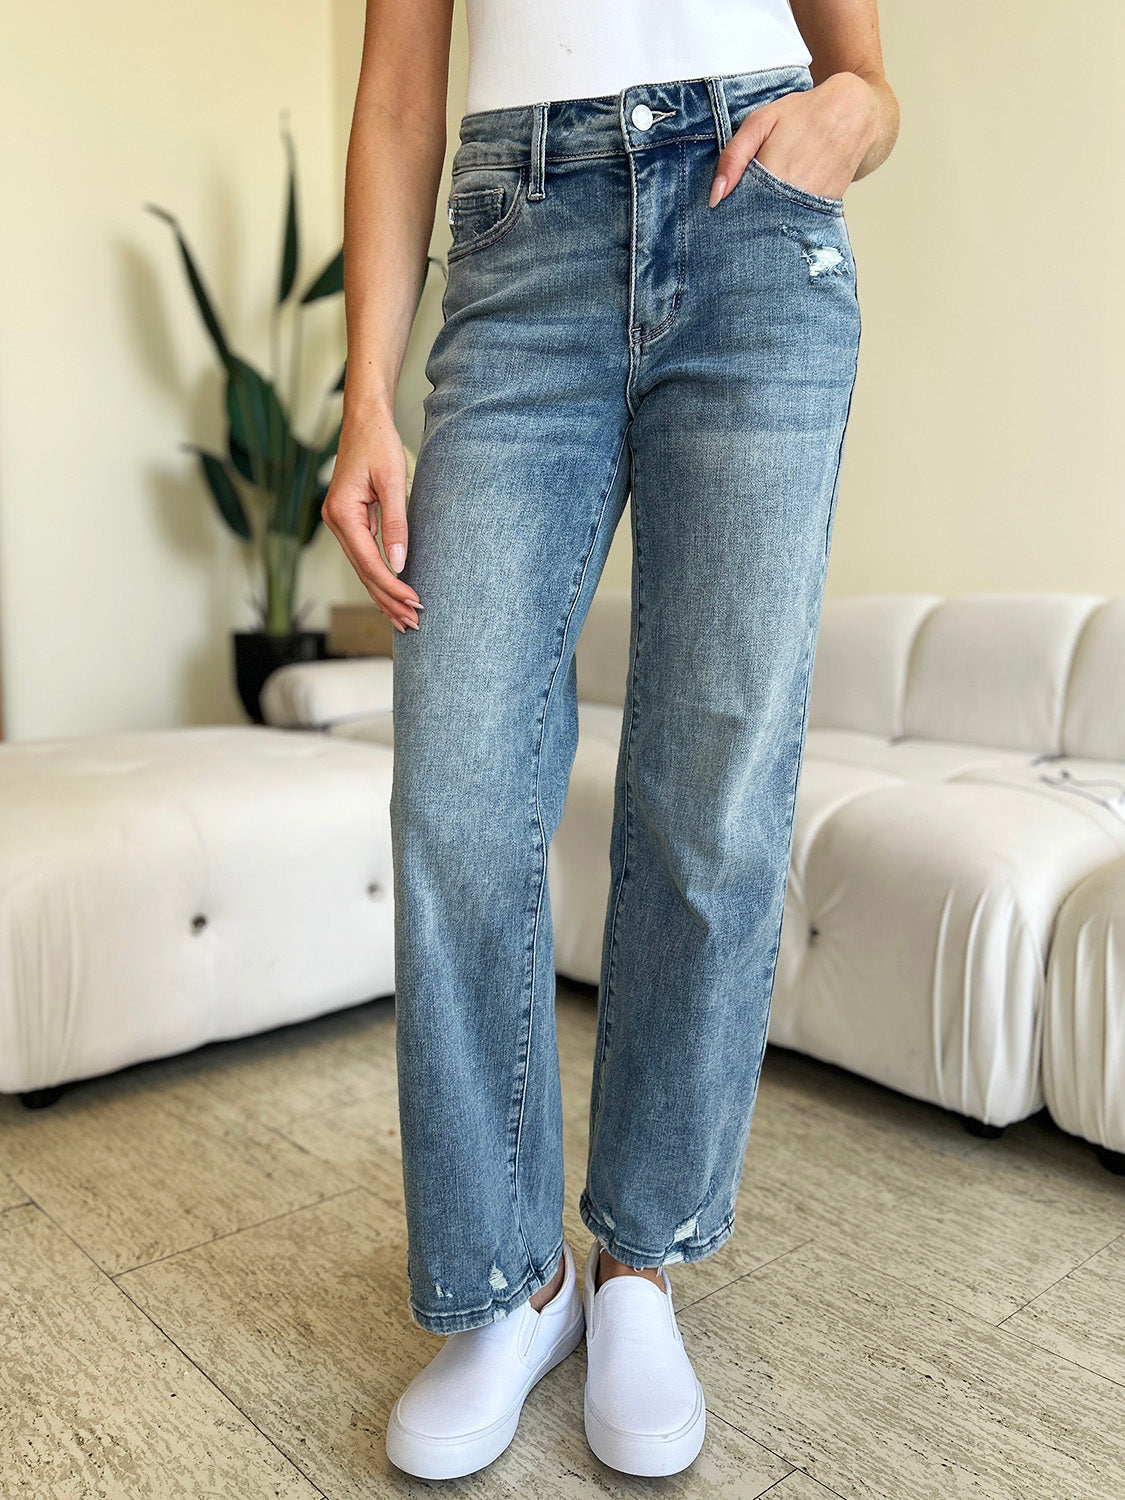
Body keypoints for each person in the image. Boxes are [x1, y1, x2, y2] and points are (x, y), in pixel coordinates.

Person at [323, 0, 899, 1481]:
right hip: (519, 233)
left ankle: (637, 1267)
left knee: (708, 799)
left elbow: (865, 68)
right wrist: (367, 396)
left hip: (757, 229)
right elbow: (397, 95)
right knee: (455, 798)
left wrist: (852, 115)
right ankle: (512, 1287)